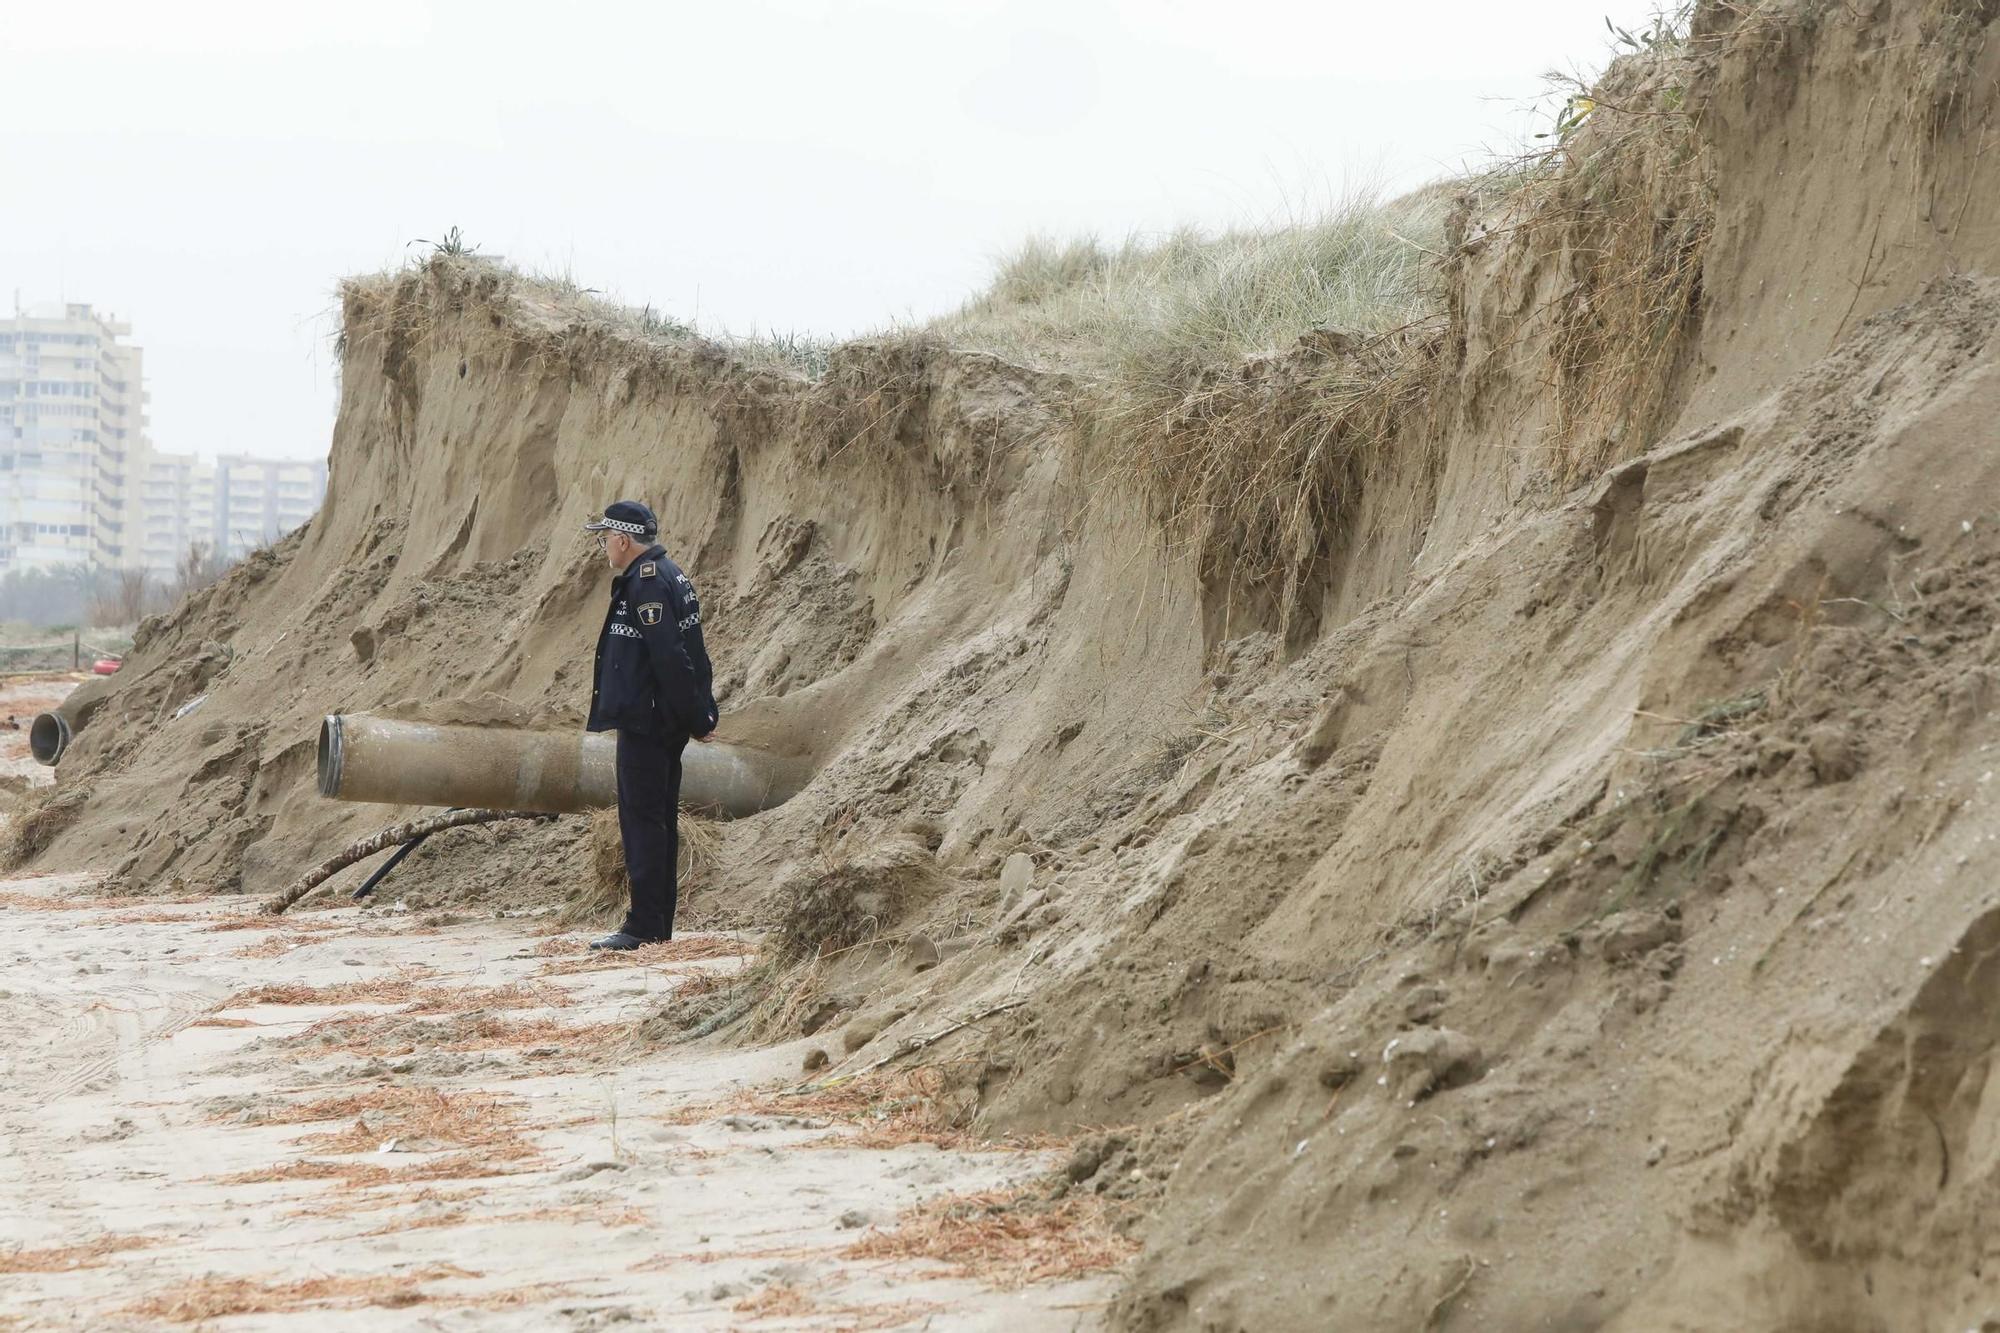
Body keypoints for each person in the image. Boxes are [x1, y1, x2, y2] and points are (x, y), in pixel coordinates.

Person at [582, 500, 719, 950]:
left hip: (650, 721)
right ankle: (656, 926)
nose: (604, 546)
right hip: (660, 717)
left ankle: (643, 926)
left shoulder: (649, 583)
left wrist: (698, 716)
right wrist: (701, 710)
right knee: (656, 821)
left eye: (605, 538)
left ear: (623, 540)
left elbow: (672, 658)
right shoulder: (669, 575)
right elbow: (693, 653)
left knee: (643, 822)